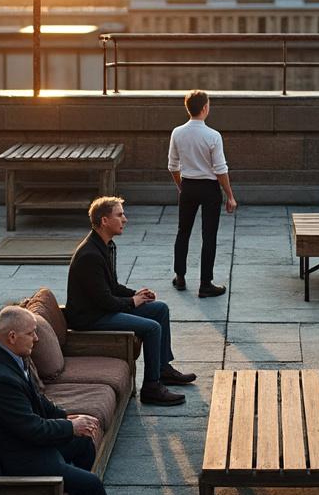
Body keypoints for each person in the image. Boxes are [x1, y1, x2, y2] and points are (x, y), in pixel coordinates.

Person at [0, 305, 110, 495]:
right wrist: (71, 427)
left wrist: (67, 417)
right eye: (31, 333)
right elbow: (32, 429)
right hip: (20, 459)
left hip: (29, 443)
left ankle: (75, 492)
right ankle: (78, 487)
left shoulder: (9, 357)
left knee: (84, 442)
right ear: (12, 337)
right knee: (91, 484)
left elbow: (38, 400)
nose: (36, 338)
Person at [65, 196, 197, 406]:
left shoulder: (107, 246)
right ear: (104, 221)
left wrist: (138, 294)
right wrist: (132, 302)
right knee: (152, 328)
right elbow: (104, 301)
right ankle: (151, 388)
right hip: (90, 318)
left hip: (102, 309)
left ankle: (163, 369)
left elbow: (113, 287)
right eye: (120, 215)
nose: (125, 219)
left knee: (159, 309)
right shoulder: (89, 255)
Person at [167, 89, 236, 297]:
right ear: (205, 108)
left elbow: (172, 166)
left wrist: (182, 186)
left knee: (183, 232)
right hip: (209, 189)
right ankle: (205, 283)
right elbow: (220, 169)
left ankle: (180, 276)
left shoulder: (177, 132)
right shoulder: (213, 135)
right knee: (209, 236)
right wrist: (230, 196)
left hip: (188, 186)